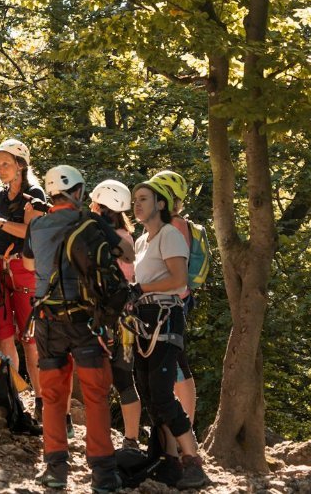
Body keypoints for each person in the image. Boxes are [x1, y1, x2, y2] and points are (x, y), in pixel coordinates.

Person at [24, 165, 121, 491]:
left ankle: (55, 470)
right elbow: (126, 252)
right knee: (95, 395)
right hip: (84, 322)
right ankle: (104, 475)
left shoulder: (36, 225)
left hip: (47, 321)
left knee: (53, 397)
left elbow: (27, 263)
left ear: (51, 193)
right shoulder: (91, 223)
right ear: (79, 192)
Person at [129, 178, 211, 489]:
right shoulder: (142, 242)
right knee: (150, 393)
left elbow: (178, 282)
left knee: (163, 393)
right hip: (146, 318)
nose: (137, 204)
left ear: (161, 204)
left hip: (166, 316)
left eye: (144, 199)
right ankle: (169, 460)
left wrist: (140, 289)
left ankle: (192, 462)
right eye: (135, 199)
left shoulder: (170, 236)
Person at [0, 139, 44, 412]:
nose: (0, 169)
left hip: (24, 270)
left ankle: (42, 400)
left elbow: (34, 232)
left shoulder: (36, 195)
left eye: (5, 164)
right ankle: (11, 398)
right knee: (5, 335)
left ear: (21, 165)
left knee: (30, 339)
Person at [89, 179, 140, 450]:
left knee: (97, 378)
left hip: (102, 318)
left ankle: (98, 437)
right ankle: (131, 439)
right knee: (124, 379)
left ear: (98, 204)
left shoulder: (96, 237)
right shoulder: (127, 237)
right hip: (127, 319)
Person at [150, 170, 199, 427]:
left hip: (173, 302)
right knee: (172, 363)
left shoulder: (176, 225)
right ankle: (179, 426)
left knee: (177, 363)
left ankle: (186, 429)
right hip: (167, 301)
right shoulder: (170, 224)